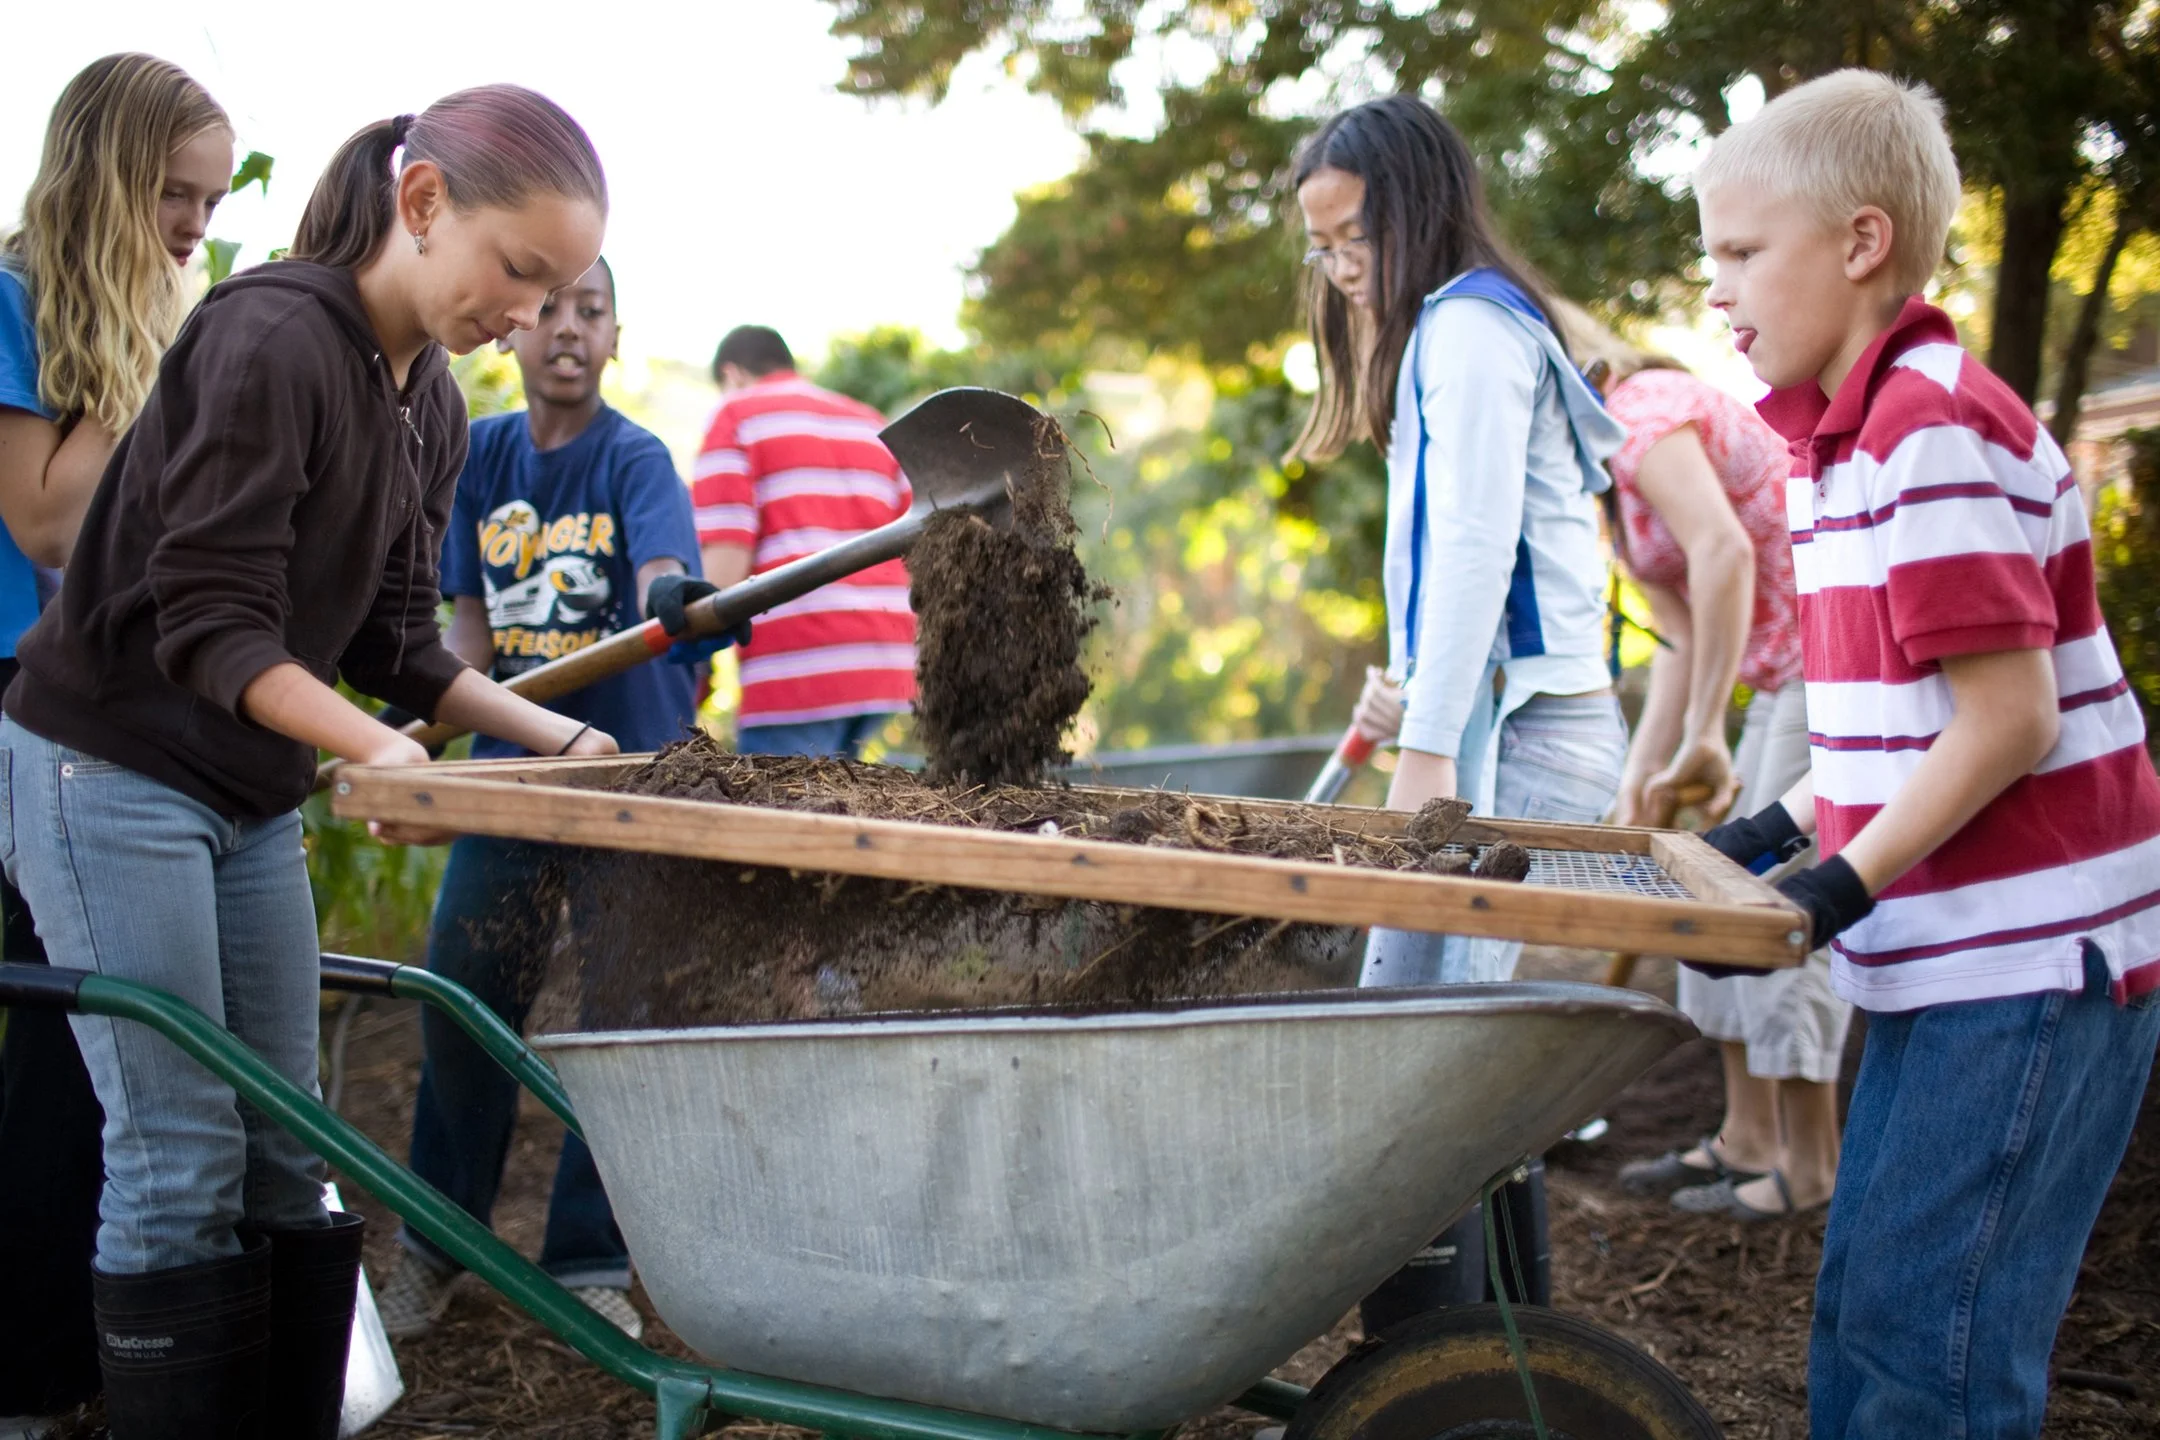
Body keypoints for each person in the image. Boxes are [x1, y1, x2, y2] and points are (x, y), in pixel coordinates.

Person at [0, 86, 619, 1440]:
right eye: (519, 274)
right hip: (107, 770)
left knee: (293, 1146)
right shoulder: (271, 336)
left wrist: (553, 736)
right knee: (178, 1157)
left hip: (245, 795)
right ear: (421, 205)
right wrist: (380, 754)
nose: (528, 316)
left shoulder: (432, 401)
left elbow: (399, 637)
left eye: (559, 290)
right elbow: (207, 622)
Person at [1694, 69, 2160, 1438]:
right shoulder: (1837, 449)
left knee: (1932, 1344)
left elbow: (2013, 719)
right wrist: (1771, 835)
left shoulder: (1926, 431)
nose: (1717, 289)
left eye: (1740, 252)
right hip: (1950, 957)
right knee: (1869, 1305)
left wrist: (1837, 887)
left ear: (1859, 243)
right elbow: (1886, 724)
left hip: (2027, 962)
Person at [1288, 95, 1628, 1328]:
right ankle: (1466, 1357)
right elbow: (1457, 559)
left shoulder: (1471, 331)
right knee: (1433, 1045)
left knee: (1424, 1066)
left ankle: (1446, 1370)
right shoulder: (1446, 332)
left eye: (1354, 240)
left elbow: (1482, 546)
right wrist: (1409, 677)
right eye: (1321, 248)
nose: (1340, 272)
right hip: (1498, 719)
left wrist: (1427, 748)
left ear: (1416, 209)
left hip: (1522, 738)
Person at [376, 255, 710, 1342]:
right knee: (466, 990)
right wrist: (402, 728)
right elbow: (469, 634)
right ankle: (441, 1241)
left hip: (631, 776)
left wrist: (671, 598)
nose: (570, 330)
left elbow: (661, 573)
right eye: (552, 310)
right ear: (515, 330)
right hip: (514, 773)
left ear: (617, 335)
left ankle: (590, 1255)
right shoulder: (482, 457)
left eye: (594, 311)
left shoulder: (636, 458)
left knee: (621, 1015)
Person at [0, 54, 232, 1437]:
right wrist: (167, 390)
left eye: (208, 199)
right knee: (59, 1028)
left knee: (97, 1047)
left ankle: (70, 1366)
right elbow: (43, 518)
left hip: (122, 705)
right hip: (19, 693)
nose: (197, 226)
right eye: (169, 195)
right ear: (99, 177)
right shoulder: (15, 298)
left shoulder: (162, 312)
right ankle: (30, 1382)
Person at [1569, 314, 1853, 1223]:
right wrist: (1641, 781)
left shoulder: (1639, 411)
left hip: (1828, 650)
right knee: (1707, 885)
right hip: (1771, 674)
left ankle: (1811, 1167)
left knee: (1773, 896)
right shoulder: (1612, 494)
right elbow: (1684, 645)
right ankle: (1748, 1139)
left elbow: (1725, 551)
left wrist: (1707, 736)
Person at [692, 325, 915, 758]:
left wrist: (698, 662)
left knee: (785, 817)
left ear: (732, 374)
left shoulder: (736, 415)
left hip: (798, 670)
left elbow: (724, 568)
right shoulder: (869, 421)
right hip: (886, 660)